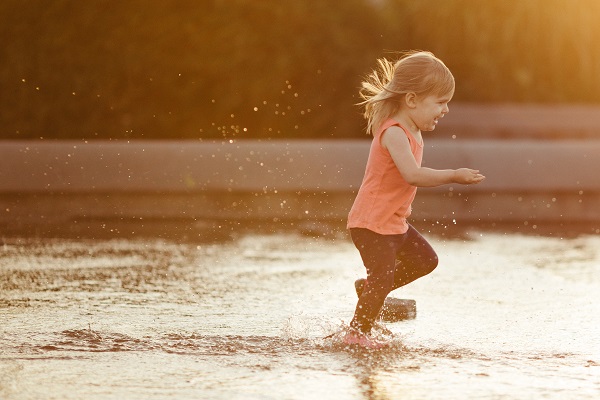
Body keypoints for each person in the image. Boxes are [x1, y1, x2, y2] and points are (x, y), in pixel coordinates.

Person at [344, 51, 485, 349]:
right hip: (371, 223)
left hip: (393, 222)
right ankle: (356, 334)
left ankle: (369, 290)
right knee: (382, 278)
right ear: (411, 100)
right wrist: (453, 175)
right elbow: (412, 175)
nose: (445, 110)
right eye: (440, 102)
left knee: (425, 260)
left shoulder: (414, 130)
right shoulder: (394, 133)